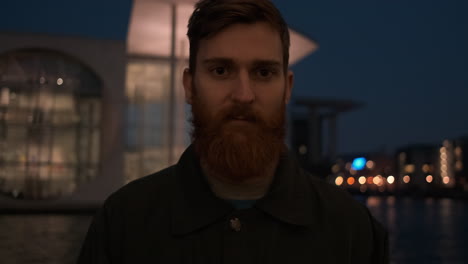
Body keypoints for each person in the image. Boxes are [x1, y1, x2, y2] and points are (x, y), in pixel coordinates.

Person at [77, 0, 389, 263]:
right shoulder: (123, 223)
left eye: (263, 72)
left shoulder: (352, 231)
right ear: (189, 85)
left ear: (287, 88)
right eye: (221, 71)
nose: (243, 94)